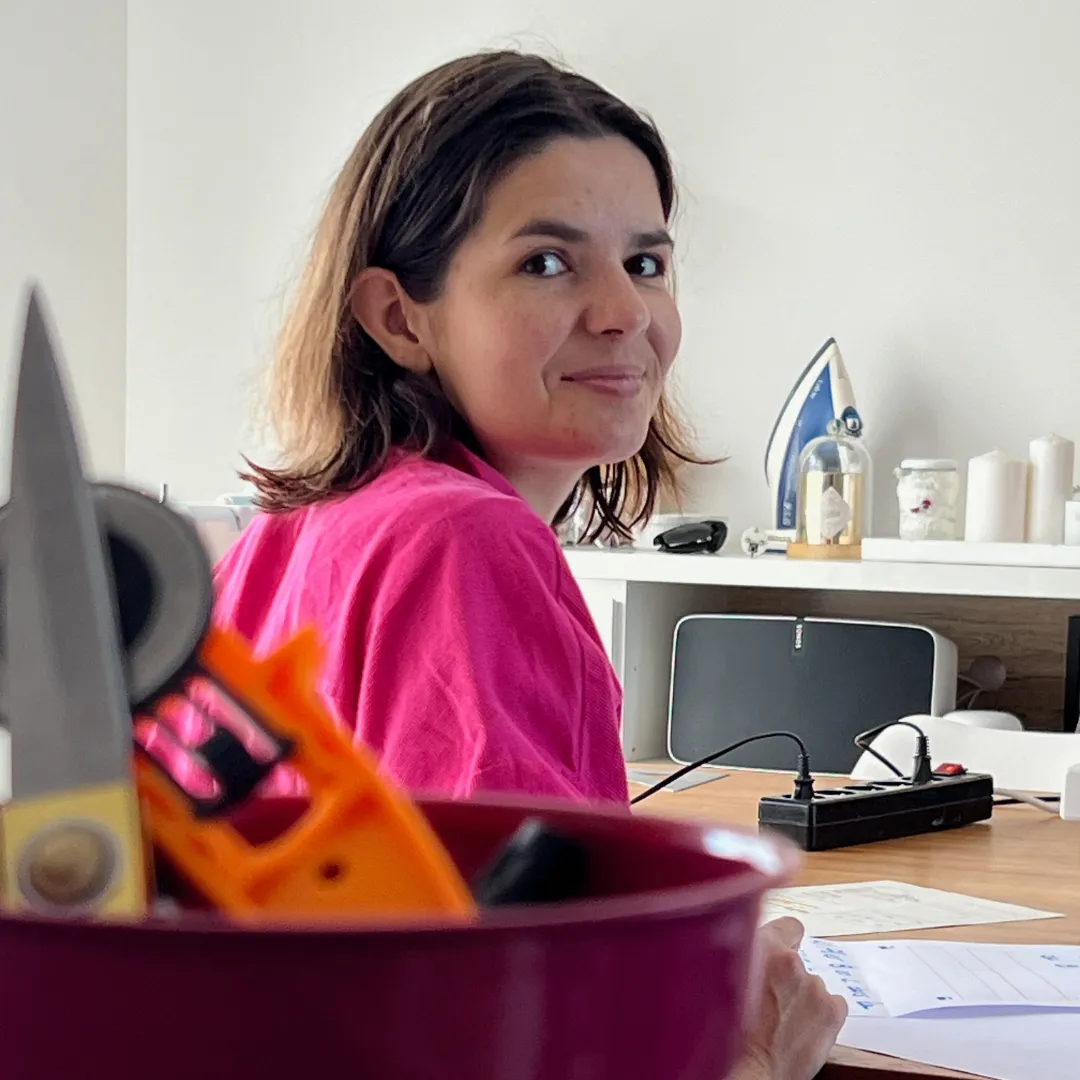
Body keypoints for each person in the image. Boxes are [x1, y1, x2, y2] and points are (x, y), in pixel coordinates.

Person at [151, 50, 846, 1079]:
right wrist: (750, 1058)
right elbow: (511, 1038)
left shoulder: (289, 531)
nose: (624, 313)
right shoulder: (464, 539)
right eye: (548, 263)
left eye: (646, 263)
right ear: (400, 318)